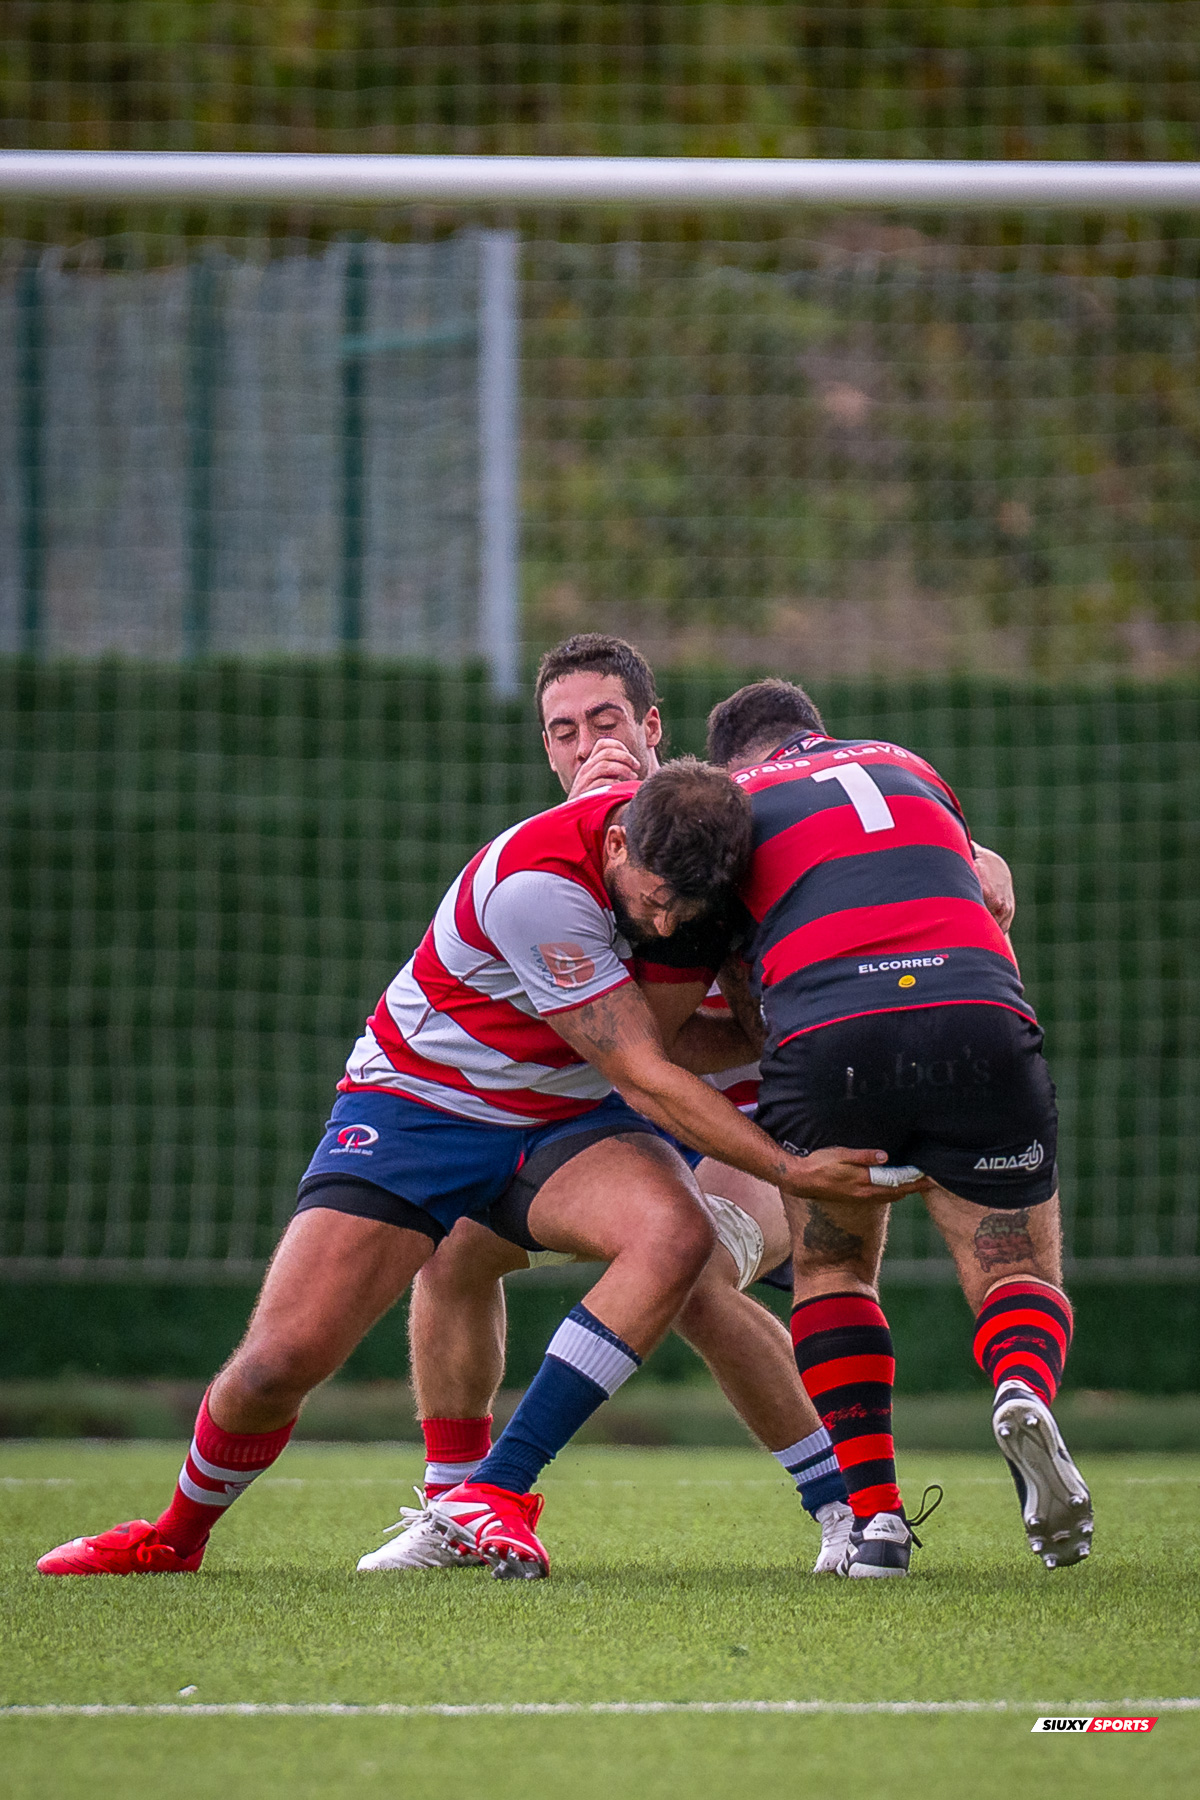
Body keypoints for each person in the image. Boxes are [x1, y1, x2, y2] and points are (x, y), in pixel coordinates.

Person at [38, 757, 905, 1582]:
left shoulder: (692, 880)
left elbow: (666, 1040)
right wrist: (792, 1169)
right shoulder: (539, 891)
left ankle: (495, 1489)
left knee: (677, 1237)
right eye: (657, 901)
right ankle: (174, 1539)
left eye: (688, 907)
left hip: (566, 1118)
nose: (670, 923)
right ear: (613, 847)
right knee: (277, 1363)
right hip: (422, 1106)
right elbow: (644, 1070)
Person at [371, 633, 1018, 1580]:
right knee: (453, 1257)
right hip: (637, 1119)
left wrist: (980, 852)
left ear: (652, 727)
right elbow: (637, 1049)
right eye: (564, 729)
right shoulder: (552, 870)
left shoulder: (729, 820)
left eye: (607, 720)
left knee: (696, 1272)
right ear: (546, 750)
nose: (588, 740)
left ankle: (849, 1513)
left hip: (767, 1115)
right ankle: (452, 1505)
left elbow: (874, 842)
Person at [705, 678, 1092, 1578]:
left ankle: (876, 1525)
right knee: (1015, 1266)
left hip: (833, 1036)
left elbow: (736, 977)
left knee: (835, 1268)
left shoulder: (735, 806)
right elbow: (982, 888)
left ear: (736, 762)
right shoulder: (910, 767)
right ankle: (1022, 1389)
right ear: (817, 733)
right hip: (974, 1010)